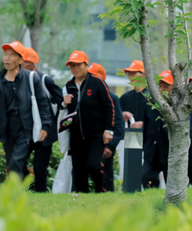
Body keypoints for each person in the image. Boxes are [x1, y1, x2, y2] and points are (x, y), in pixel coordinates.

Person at [0, 41, 52, 180]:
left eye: (12, 55)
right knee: (13, 161)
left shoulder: (31, 78)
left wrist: (45, 125)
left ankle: (12, 195)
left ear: (21, 60)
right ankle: (25, 183)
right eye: (5, 55)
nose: (7, 58)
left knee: (15, 163)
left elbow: (43, 103)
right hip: (6, 127)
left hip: (25, 126)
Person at [60, 51, 115, 193]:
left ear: (86, 65)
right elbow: (62, 112)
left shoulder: (97, 83)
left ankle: (100, 191)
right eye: (72, 65)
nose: (75, 68)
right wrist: (64, 103)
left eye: (78, 65)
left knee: (94, 165)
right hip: (76, 136)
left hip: (96, 135)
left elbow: (109, 107)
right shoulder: (68, 85)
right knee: (78, 171)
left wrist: (108, 130)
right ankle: (83, 198)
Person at [22, 48, 64, 192]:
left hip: (45, 131)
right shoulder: (18, 79)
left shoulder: (45, 80)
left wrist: (55, 123)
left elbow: (61, 102)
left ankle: (40, 192)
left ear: (33, 63)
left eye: (25, 61)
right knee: (18, 162)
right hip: (26, 130)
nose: (21, 64)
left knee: (40, 167)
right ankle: (29, 189)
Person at [89, 63, 125, 192]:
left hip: (104, 146)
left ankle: (108, 202)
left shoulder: (113, 98)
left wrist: (110, 146)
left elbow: (119, 126)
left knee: (105, 177)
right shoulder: (83, 97)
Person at [141, 70, 173, 189]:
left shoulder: (178, 106)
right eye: (159, 85)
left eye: (166, 86)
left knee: (171, 184)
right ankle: (151, 204)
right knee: (146, 177)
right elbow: (145, 126)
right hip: (152, 151)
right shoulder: (149, 103)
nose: (161, 89)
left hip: (169, 152)